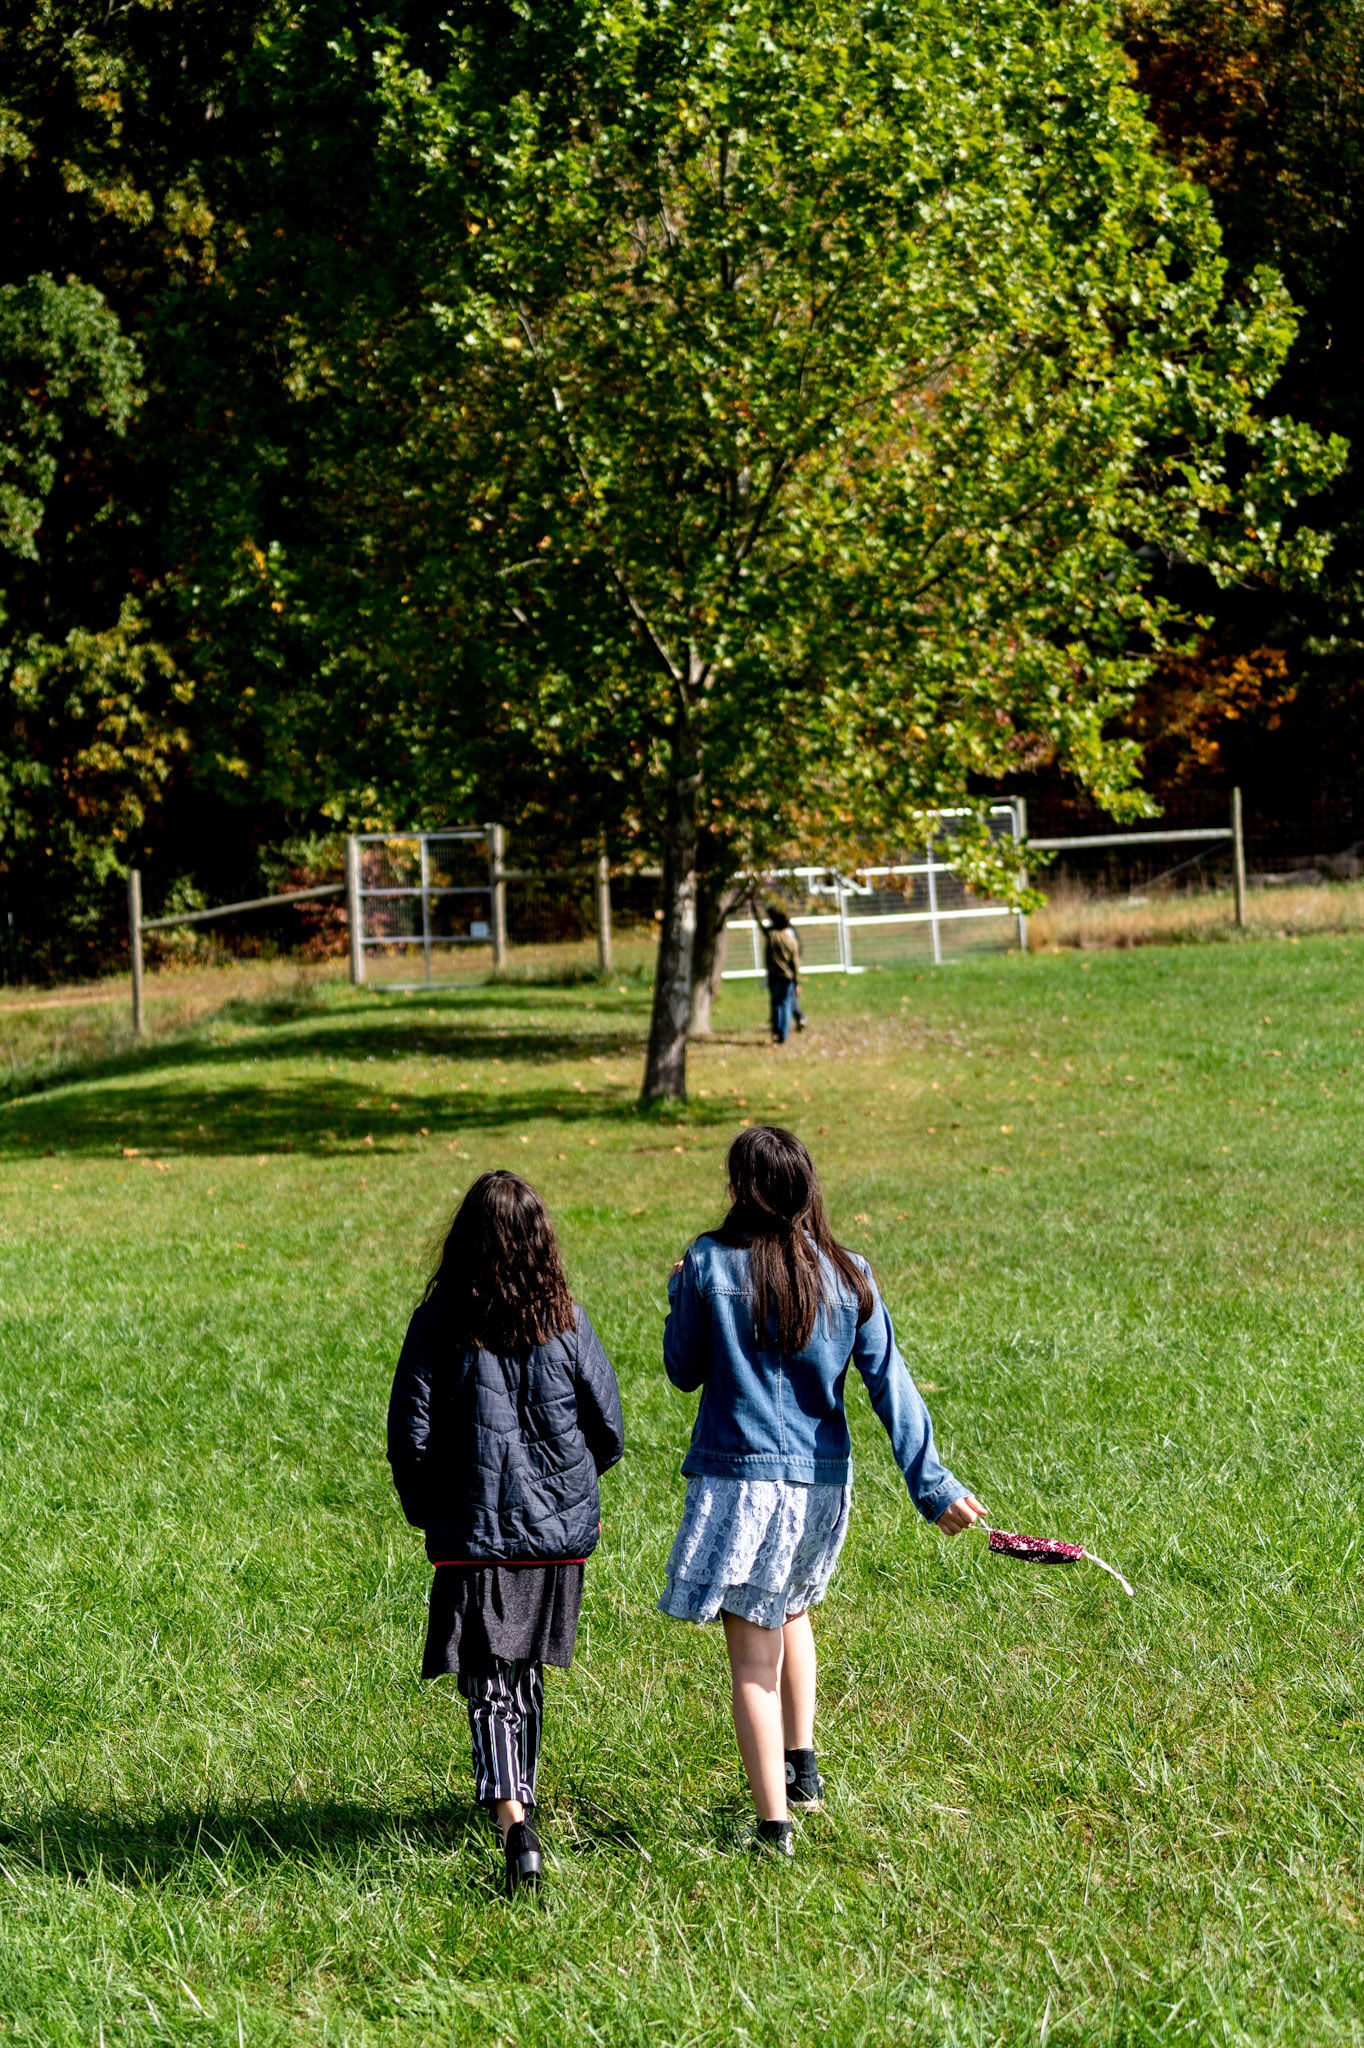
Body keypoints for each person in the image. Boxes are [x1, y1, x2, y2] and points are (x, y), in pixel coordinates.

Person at [658, 1126, 985, 1856]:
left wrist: (682, 1289)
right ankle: (802, 1771)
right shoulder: (849, 1272)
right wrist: (933, 1486)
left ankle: (772, 1827)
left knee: (752, 1660)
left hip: (741, 1483)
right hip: (819, 1488)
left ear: (740, 1189)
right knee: (793, 1609)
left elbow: (682, 1369)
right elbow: (892, 1386)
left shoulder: (709, 1261)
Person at [387, 1170, 625, 1895]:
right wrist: (567, 1491)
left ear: (463, 1241)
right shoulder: (567, 1321)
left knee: (488, 1677)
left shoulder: (437, 1323)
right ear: (540, 1243)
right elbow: (609, 1428)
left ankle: (512, 1817)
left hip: (475, 1532)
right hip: (554, 1536)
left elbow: (409, 1437)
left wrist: (431, 1510)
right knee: (522, 1669)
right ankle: (521, 1796)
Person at [753, 900, 802, 1044]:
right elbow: (795, 964)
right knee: (785, 1004)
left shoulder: (771, 936)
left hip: (774, 976)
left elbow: (759, 923)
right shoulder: (792, 942)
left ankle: (776, 1031)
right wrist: (797, 982)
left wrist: (754, 907)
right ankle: (783, 1034)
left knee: (776, 1004)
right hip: (787, 978)